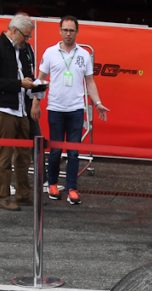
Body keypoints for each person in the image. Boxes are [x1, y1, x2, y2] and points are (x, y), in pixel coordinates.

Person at [33, 16, 109, 206]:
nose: (68, 34)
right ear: (60, 31)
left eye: (71, 30)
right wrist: (36, 102)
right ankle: (52, 184)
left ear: (77, 32)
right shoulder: (50, 52)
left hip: (76, 109)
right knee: (56, 150)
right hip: (55, 108)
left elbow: (90, 81)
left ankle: (72, 188)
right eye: (65, 30)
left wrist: (97, 102)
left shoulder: (84, 55)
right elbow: (41, 78)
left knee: (74, 152)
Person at [0, 14, 36, 211]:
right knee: (5, 154)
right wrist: (19, 84)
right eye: (26, 36)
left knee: (24, 153)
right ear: (14, 30)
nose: (27, 40)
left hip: (21, 107)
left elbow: (26, 74)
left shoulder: (24, 49)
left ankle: (23, 194)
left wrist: (34, 85)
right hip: (3, 107)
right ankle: (3, 196)